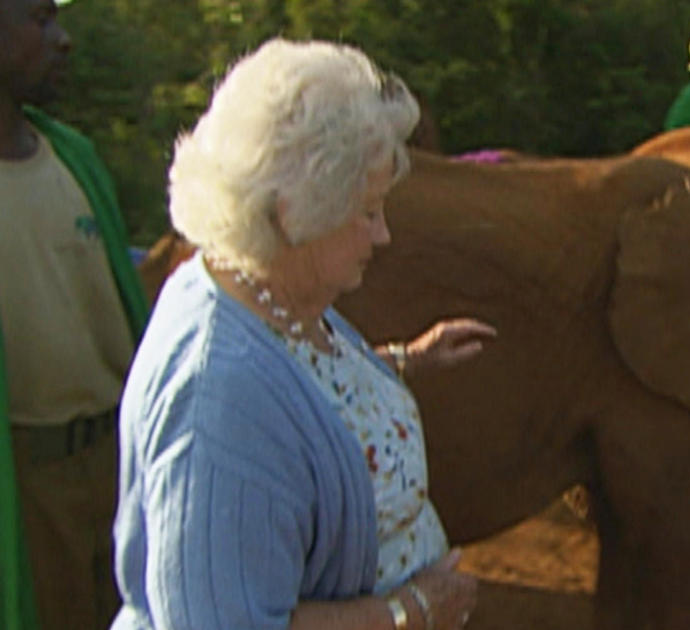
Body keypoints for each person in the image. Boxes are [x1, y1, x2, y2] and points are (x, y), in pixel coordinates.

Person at [112, 38, 494, 629]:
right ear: (294, 211)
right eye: (367, 212)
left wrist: (400, 361)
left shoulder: (260, 289)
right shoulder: (216, 403)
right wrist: (411, 610)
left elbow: (300, 392)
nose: (383, 234)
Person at [0, 0, 149, 628]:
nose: (64, 39)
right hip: (10, 490)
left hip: (120, 468)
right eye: (40, 20)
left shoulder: (73, 157)